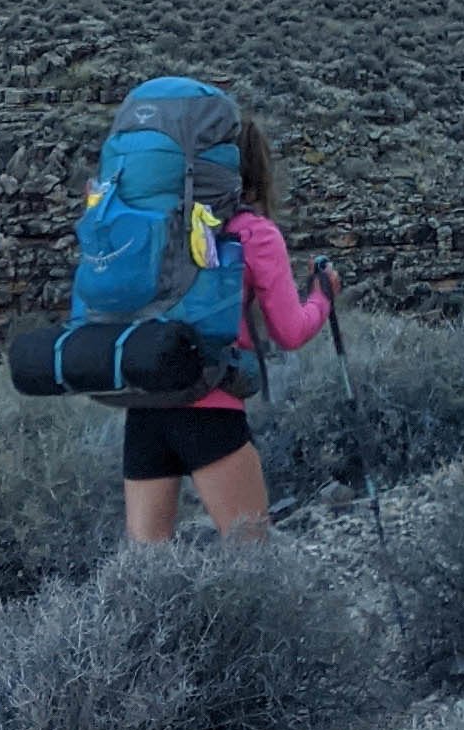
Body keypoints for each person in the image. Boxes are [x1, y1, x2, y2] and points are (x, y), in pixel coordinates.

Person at [120, 111, 329, 544]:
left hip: (146, 405)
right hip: (211, 405)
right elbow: (290, 331)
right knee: (252, 559)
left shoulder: (159, 227)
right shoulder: (254, 233)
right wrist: (323, 296)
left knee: (144, 573)